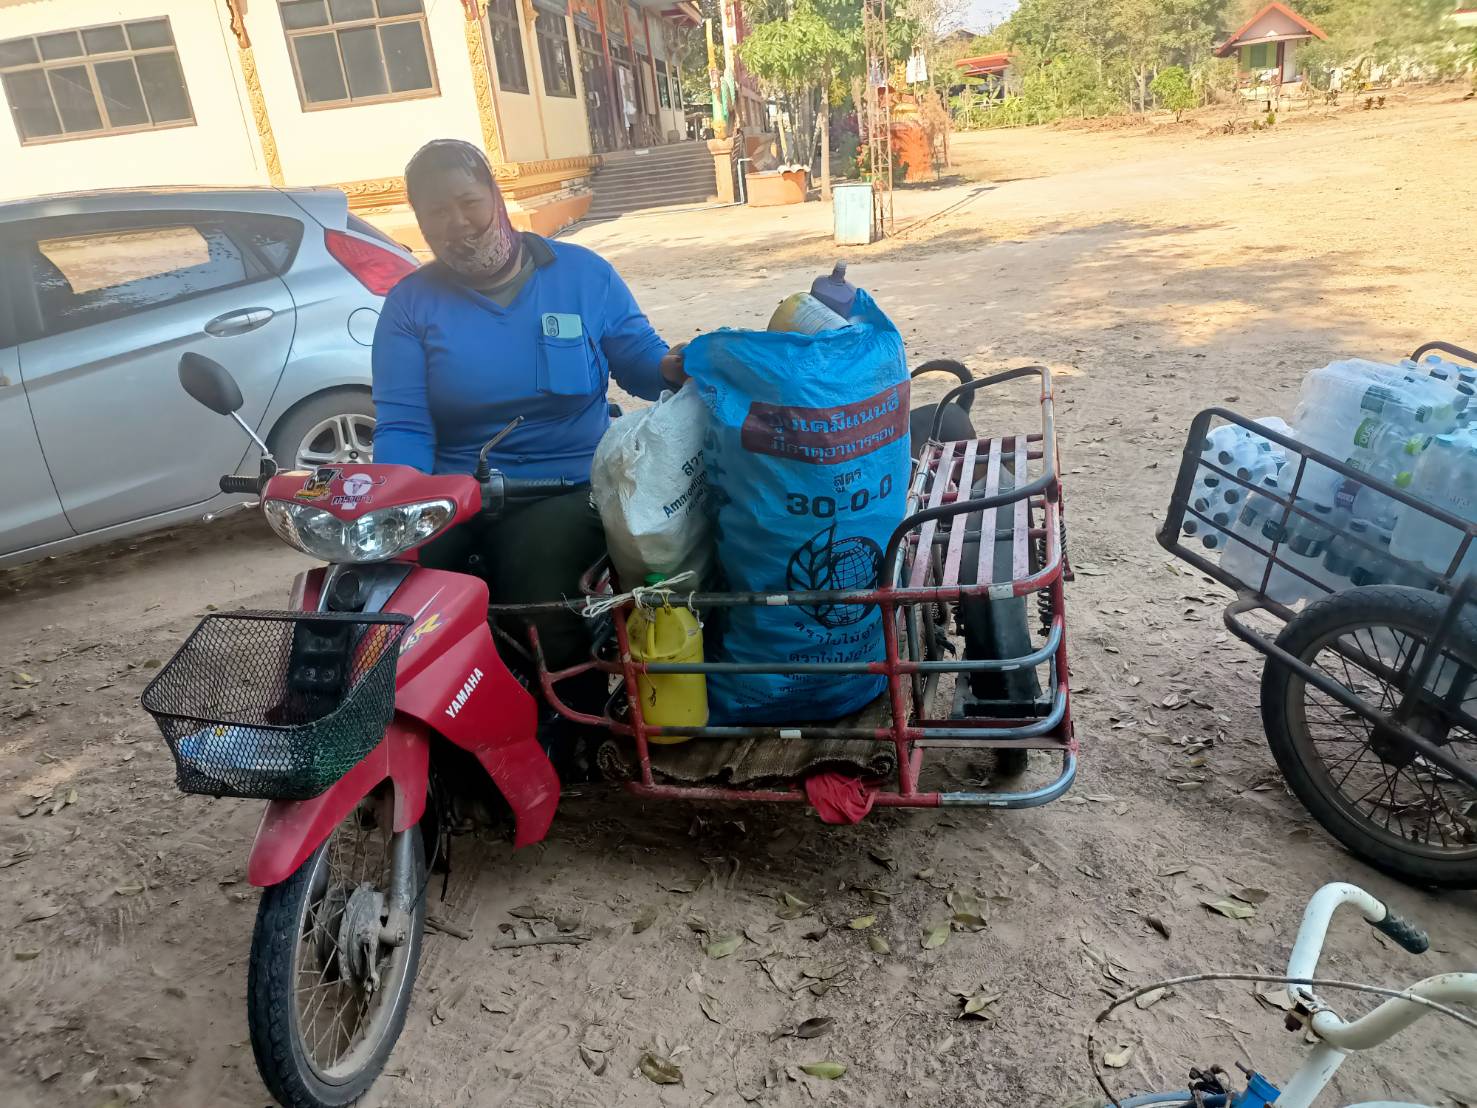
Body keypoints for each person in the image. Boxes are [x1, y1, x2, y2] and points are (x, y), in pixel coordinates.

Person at [371, 139, 686, 681]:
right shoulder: (409, 305)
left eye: (468, 202)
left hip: (569, 483)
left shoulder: (583, 276)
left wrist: (674, 368)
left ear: (496, 196)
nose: (458, 224)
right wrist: (397, 512)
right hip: (453, 494)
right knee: (393, 590)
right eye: (437, 212)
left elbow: (638, 363)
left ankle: (570, 708)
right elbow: (403, 425)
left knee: (535, 579)